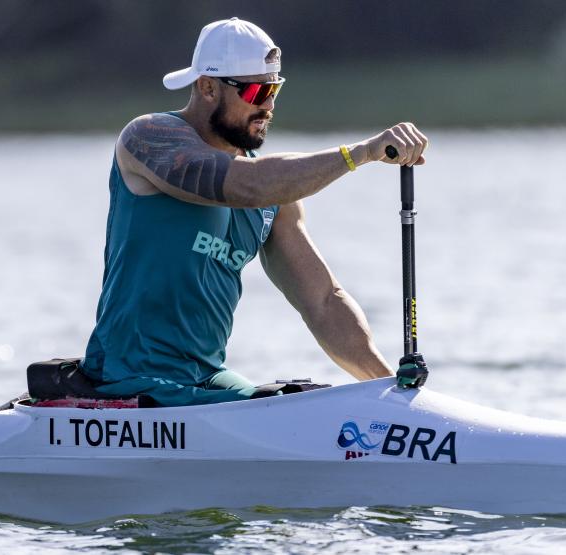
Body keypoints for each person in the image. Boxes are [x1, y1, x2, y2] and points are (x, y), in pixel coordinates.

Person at [81, 17, 427, 406]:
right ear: (207, 87)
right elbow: (248, 185)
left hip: (206, 378)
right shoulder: (149, 139)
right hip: (128, 378)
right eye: (256, 90)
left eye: (274, 88)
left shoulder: (276, 194)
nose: (269, 105)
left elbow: (323, 302)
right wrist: (360, 153)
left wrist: (391, 392)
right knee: (290, 412)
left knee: (308, 399)